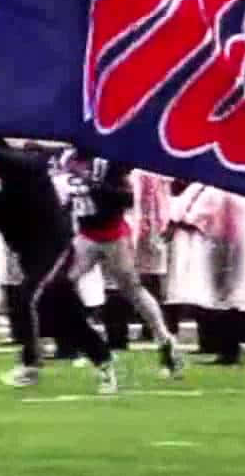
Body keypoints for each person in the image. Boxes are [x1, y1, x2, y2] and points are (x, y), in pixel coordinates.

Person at [0, 139, 114, 393]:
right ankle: (104, 360)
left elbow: (32, 162)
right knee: (66, 314)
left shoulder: (30, 174)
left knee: (26, 298)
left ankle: (30, 364)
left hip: (53, 248)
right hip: (28, 254)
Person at [70, 155, 183, 376]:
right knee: (62, 285)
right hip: (85, 234)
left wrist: (96, 185)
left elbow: (127, 198)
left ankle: (165, 340)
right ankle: (81, 342)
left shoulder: (108, 161)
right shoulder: (66, 159)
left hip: (113, 234)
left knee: (132, 289)